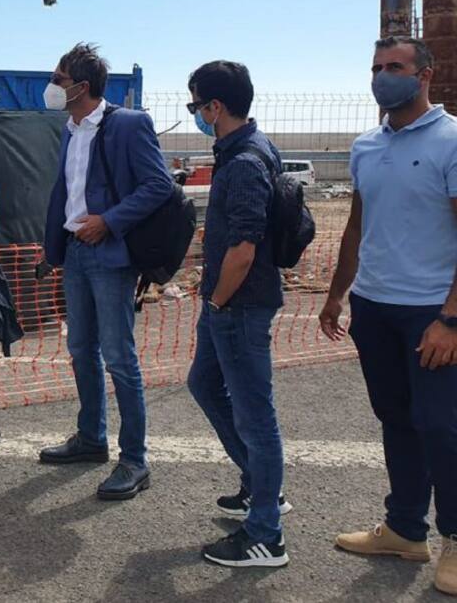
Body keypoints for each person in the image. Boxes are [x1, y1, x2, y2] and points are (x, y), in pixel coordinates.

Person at [320, 37, 457, 596]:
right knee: (396, 418)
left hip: (431, 310)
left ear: (426, 73)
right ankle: (404, 529)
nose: (382, 76)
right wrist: (336, 295)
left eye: (394, 67)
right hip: (373, 306)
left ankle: (455, 539)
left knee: (442, 426)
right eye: (376, 68)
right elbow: (357, 225)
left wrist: (450, 318)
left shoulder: (451, 139)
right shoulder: (365, 145)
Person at [38, 43, 174, 501]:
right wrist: (54, 248)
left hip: (110, 255)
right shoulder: (71, 129)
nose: (52, 87)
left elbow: (159, 185)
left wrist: (109, 221)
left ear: (81, 86)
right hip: (76, 253)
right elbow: (66, 191)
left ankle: (134, 460)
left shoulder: (128, 125)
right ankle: (91, 439)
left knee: (118, 356)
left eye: (59, 79)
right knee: (80, 348)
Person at [185, 60, 290, 568]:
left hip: (238, 306)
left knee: (255, 415)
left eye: (196, 106)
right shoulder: (245, 149)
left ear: (215, 107)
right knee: (204, 384)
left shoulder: (245, 160)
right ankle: (259, 486)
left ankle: (266, 534)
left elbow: (244, 248)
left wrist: (218, 301)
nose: (197, 116)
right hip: (226, 304)